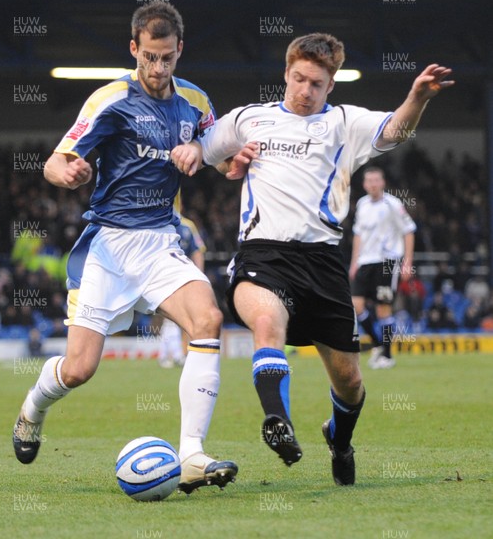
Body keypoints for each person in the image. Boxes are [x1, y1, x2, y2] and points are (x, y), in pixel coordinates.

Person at [173, 32, 453, 485]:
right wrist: (194, 154)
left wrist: (416, 97)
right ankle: (277, 421)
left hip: (323, 262)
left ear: (331, 86)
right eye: (298, 79)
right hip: (263, 253)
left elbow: (396, 129)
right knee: (267, 323)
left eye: (316, 83)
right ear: (286, 73)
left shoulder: (346, 124)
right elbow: (204, 151)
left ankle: (339, 440)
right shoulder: (250, 118)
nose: (305, 90)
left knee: (350, 381)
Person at [12, 1, 238, 495]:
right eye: (149, 58)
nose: (158, 69)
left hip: (160, 241)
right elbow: (56, 160)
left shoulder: (196, 103)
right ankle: (34, 406)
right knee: (79, 369)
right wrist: (67, 172)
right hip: (109, 247)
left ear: (180, 51)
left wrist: (206, 153)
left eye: (168, 58)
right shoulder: (111, 99)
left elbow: (224, 157)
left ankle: (193, 455)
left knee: (209, 320)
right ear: (134, 49)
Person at [349, 167, 416, 369]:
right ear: (364, 184)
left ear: (383, 182)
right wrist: (354, 262)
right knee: (356, 305)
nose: (373, 184)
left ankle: (387, 355)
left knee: (383, 308)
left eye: (376, 180)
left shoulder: (393, 204)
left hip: (387, 261)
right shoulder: (362, 204)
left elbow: (409, 231)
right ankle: (378, 344)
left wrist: (407, 262)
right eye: (369, 181)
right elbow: (358, 235)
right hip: (365, 262)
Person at [157, 215, 206, 368]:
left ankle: (167, 355)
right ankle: (177, 355)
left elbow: (197, 251)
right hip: (164, 276)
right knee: (172, 317)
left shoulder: (188, 225)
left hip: (184, 277)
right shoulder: (159, 221)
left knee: (178, 318)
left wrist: (199, 278)